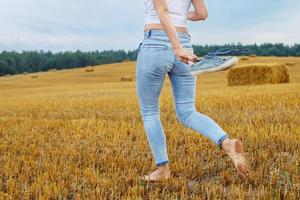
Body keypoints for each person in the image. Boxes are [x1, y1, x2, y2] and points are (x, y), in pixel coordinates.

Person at [136, 0, 249, 182]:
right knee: (187, 111)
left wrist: (176, 47)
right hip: (185, 42)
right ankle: (227, 144)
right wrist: (180, 20)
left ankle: (163, 170)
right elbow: (202, 14)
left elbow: (162, 10)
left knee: (149, 111)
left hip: (157, 43)